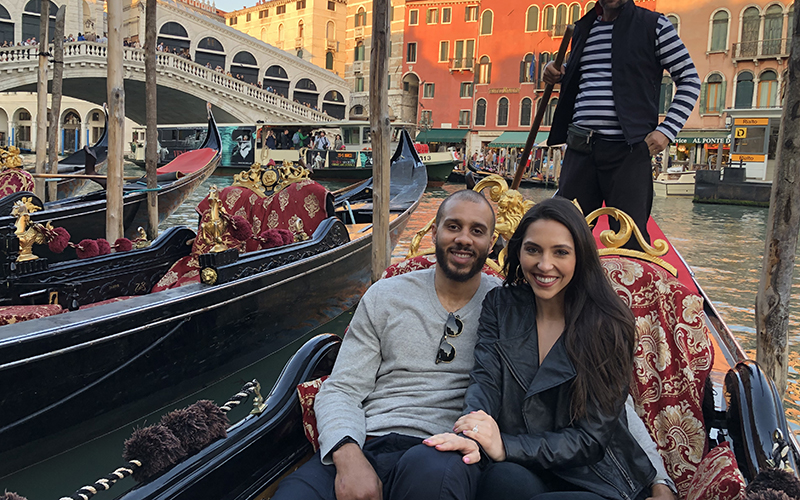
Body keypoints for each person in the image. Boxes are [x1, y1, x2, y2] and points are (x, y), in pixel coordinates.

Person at [425, 197, 673, 500]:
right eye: (533, 250)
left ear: (580, 256)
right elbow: (484, 381)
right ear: (518, 251)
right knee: (500, 480)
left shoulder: (609, 324)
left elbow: (592, 439)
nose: (544, 265)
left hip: (594, 475)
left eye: (560, 252)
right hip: (525, 465)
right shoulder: (501, 306)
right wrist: (472, 433)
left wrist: (506, 446)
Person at [270, 190, 501, 500]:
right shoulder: (386, 295)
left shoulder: (505, 306)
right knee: (294, 494)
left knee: (433, 479)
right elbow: (343, 389)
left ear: (491, 241)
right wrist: (348, 455)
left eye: (477, 231)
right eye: (453, 226)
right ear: (434, 232)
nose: (464, 239)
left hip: (441, 449)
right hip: (368, 438)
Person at [543, 0, 700, 246]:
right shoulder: (583, 28)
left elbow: (690, 80)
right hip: (580, 149)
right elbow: (589, 75)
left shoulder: (654, 25)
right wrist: (558, 71)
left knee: (630, 241)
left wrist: (666, 131)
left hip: (628, 153)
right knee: (565, 238)